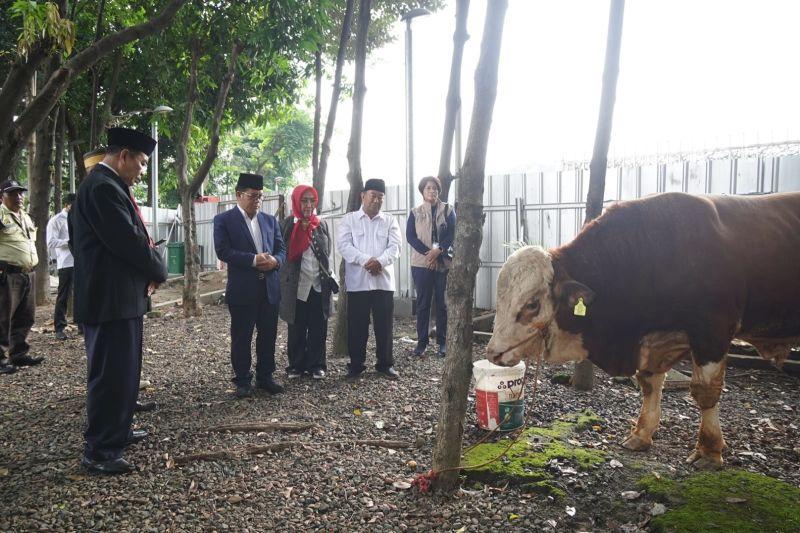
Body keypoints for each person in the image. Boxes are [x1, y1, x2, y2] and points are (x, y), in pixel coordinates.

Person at [72, 128, 166, 474]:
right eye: (141, 164)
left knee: (125, 371)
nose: (142, 172)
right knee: (110, 375)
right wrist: (160, 268)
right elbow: (128, 242)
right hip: (108, 300)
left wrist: (148, 272)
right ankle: (99, 451)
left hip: (121, 298)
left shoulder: (110, 186)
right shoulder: (102, 188)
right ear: (123, 155)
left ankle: (118, 431)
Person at [213, 173, 286, 398]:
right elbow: (223, 251)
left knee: (268, 335)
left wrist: (275, 261)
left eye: (261, 197)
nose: (257, 201)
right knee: (242, 336)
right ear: (239, 195)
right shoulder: (224, 220)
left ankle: (265, 376)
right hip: (243, 290)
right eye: (253, 196)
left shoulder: (269, 220)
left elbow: (281, 249)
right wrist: (254, 260)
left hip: (269, 289)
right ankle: (242, 379)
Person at [337, 178, 402, 380]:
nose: (377, 200)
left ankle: (385, 364)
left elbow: (396, 247)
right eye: (373, 195)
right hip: (358, 283)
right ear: (363, 196)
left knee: (385, 326)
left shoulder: (390, 220)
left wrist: (380, 262)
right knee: (357, 325)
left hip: (383, 282)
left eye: (380, 197)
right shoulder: (349, 220)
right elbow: (344, 246)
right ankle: (356, 365)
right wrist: (367, 261)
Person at [279, 185, 333, 380]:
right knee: (297, 326)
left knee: (319, 326)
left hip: (318, 284)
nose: (308, 205)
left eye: (312, 200)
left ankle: (317, 364)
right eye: (304, 200)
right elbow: (282, 252)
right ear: (296, 202)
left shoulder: (321, 225)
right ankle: (296, 365)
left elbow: (327, 253)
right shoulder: (286, 225)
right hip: (296, 285)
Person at [406, 176, 456, 358]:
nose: (432, 191)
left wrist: (439, 251)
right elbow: (410, 237)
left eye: (435, 188)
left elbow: (452, 233)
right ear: (422, 191)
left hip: (443, 262)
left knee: (442, 304)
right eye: (428, 188)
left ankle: (442, 342)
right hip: (421, 263)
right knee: (423, 304)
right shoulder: (415, 212)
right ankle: (422, 342)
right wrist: (430, 253)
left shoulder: (448, 210)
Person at [0, 180, 43, 375]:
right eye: (12, 194)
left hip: (28, 273)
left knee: (26, 316)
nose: (18, 197)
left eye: (20, 193)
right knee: (3, 317)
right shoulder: (1, 214)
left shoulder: (26, 217)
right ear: (2, 197)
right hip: (8, 274)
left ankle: (18, 353)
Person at [47, 193, 77, 340]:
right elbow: (51, 242)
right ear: (67, 205)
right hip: (65, 263)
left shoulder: (80, 218)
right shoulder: (56, 220)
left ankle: (82, 324)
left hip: (80, 262)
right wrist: (69, 242)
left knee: (81, 293)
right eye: (74, 205)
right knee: (63, 295)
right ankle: (59, 327)